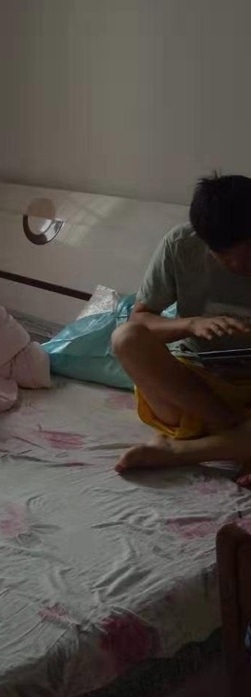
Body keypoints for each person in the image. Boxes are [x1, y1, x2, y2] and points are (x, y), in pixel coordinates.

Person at [112, 173, 251, 485]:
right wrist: (191, 324)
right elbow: (140, 319)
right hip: (195, 390)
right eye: (226, 257)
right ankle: (235, 439)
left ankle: (178, 451)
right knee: (126, 338)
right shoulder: (180, 244)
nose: (241, 266)